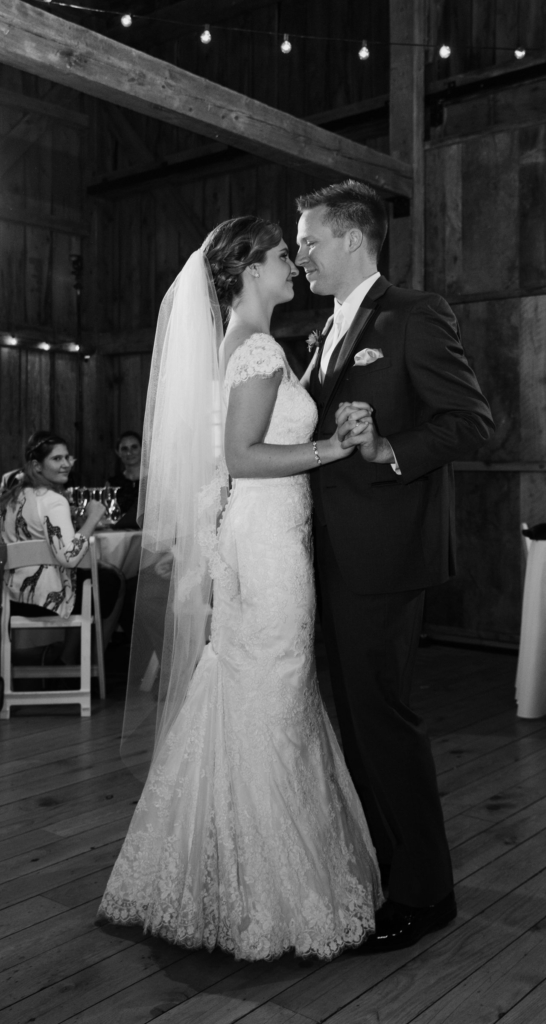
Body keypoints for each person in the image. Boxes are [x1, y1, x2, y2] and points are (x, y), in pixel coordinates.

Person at [98, 216, 383, 960]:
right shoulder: (255, 349)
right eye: (283, 256)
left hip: (262, 537)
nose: (293, 265)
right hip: (264, 544)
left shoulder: (242, 345)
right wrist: (332, 445)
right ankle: (266, 889)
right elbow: (244, 457)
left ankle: (220, 871)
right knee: (276, 689)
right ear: (249, 269)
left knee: (256, 689)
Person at [295, 180, 495, 952]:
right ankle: (387, 870)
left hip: (383, 554)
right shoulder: (323, 328)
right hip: (329, 556)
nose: (303, 253)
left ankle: (424, 893)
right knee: (355, 723)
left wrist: (387, 451)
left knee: (383, 721)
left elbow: (470, 421)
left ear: (352, 239)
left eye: (310, 240)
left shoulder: (412, 315)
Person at [0, 432, 120, 660]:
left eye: (67, 457)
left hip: (13, 597)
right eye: (57, 459)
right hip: (45, 600)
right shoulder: (53, 501)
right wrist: (93, 518)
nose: (66, 464)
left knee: (98, 579)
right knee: (113, 581)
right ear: (36, 466)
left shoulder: (10, 498)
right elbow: (70, 557)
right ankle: (79, 659)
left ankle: (65, 656)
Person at [107, 430, 142, 527]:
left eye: (134, 447)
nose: (129, 453)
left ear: (142, 448)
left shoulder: (153, 481)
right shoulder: (112, 483)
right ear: (117, 452)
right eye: (124, 449)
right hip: (119, 535)